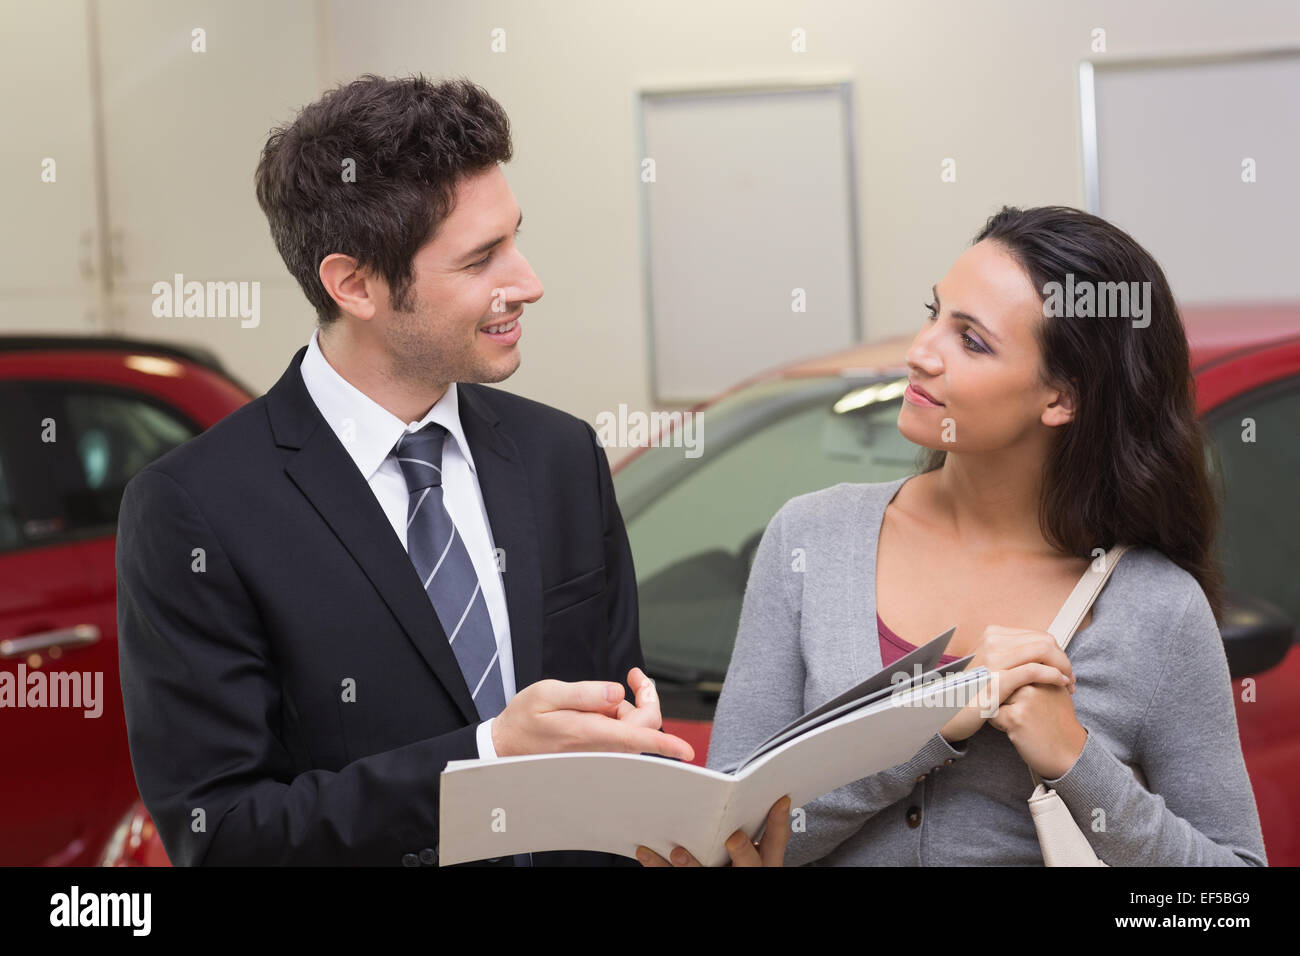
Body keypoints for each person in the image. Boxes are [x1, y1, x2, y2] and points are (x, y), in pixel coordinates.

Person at [115, 74, 695, 867]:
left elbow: (617, 723)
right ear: (353, 284)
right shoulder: (196, 509)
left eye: (514, 238)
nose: (527, 283)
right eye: (481, 259)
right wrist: (484, 757)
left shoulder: (561, 457)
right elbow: (222, 836)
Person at [650, 205, 1268, 866]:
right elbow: (726, 837)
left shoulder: (1158, 610)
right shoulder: (809, 540)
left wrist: (1076, 761)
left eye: (971, 340)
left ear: (1061, 398)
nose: (920, 353)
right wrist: (924, 726)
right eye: (933, 312)